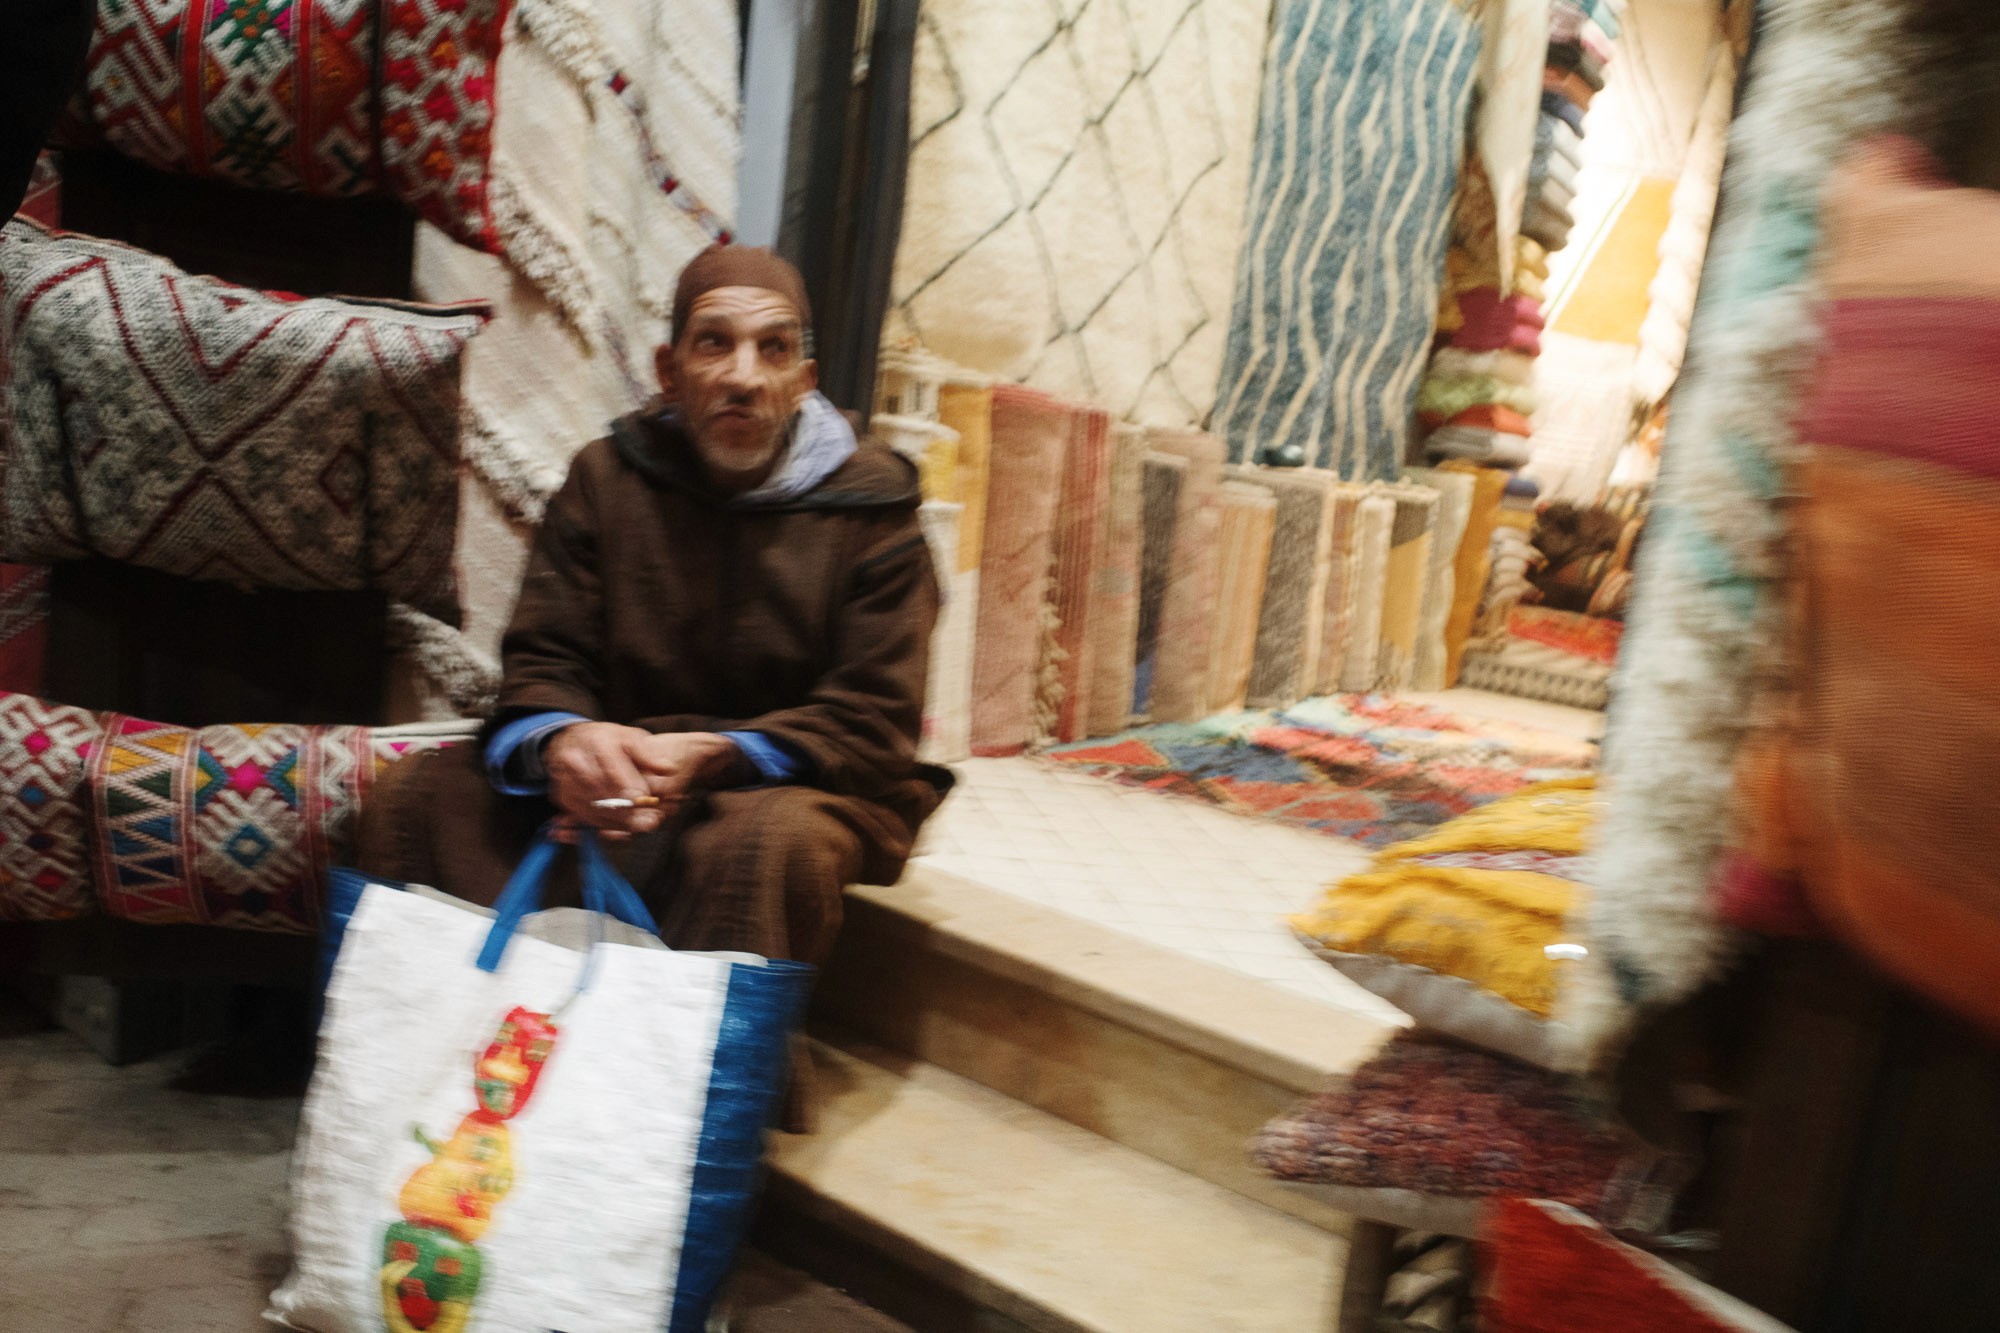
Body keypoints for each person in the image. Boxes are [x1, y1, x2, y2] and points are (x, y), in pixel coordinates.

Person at [357, 246, 951, 969]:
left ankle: (705, 1077)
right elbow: (548, 656)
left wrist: (715, 757)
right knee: (416, 797)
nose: (743, 375)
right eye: (715, 343)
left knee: (769, 848)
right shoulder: (606, 480)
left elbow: (874, 715)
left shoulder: (872, 507)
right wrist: (572, 746)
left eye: (773, 350)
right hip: (618, 762)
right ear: (669, 372)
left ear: (803, 383)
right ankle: (436, 1057)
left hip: (784, 777)